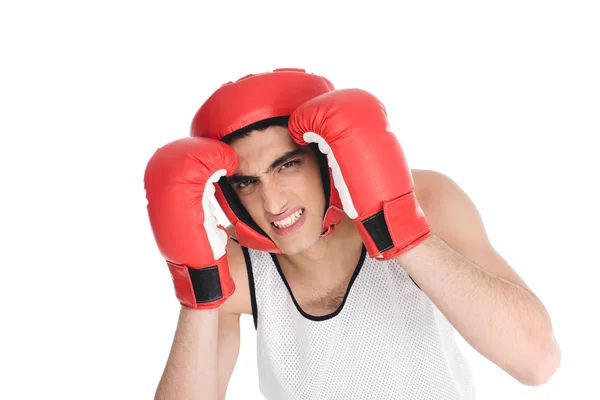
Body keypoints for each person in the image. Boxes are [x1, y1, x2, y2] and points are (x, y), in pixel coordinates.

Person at [144, 68, 561, 400]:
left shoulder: (426, 202)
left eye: (287, 165)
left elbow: (537, 362)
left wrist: (399, 229)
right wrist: (198, 286)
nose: (272, 204)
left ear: (327, 155)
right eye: (246, 183)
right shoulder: (233, 269)